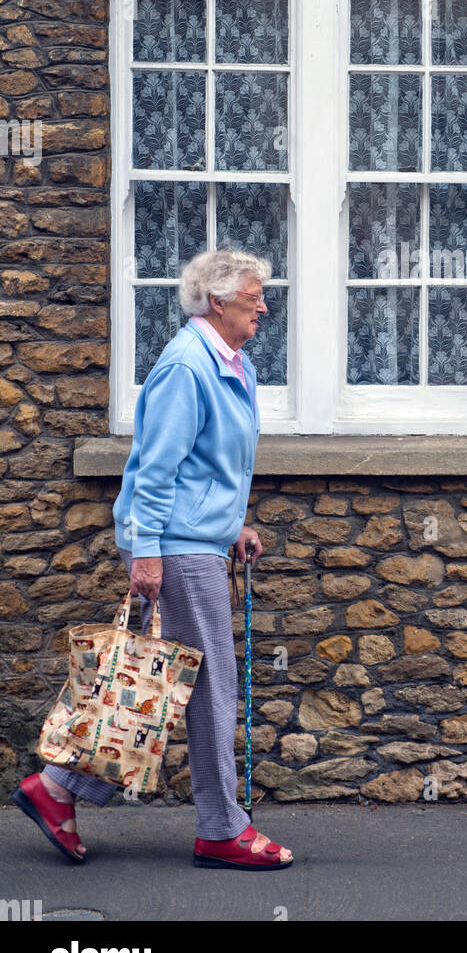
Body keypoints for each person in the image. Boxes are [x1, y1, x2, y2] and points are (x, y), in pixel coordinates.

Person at [13, 248, 293, 871]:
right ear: (217, 302)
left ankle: (56, 790)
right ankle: (222, 829)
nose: (263, 306)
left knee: (146, 686)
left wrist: (232, 524)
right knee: (210, 686)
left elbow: (207, 464)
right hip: (173, 546)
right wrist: (147, 552)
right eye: (253, 296)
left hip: (194, 539)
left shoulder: (231, 363)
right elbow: (155, 470)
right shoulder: (186, 367)